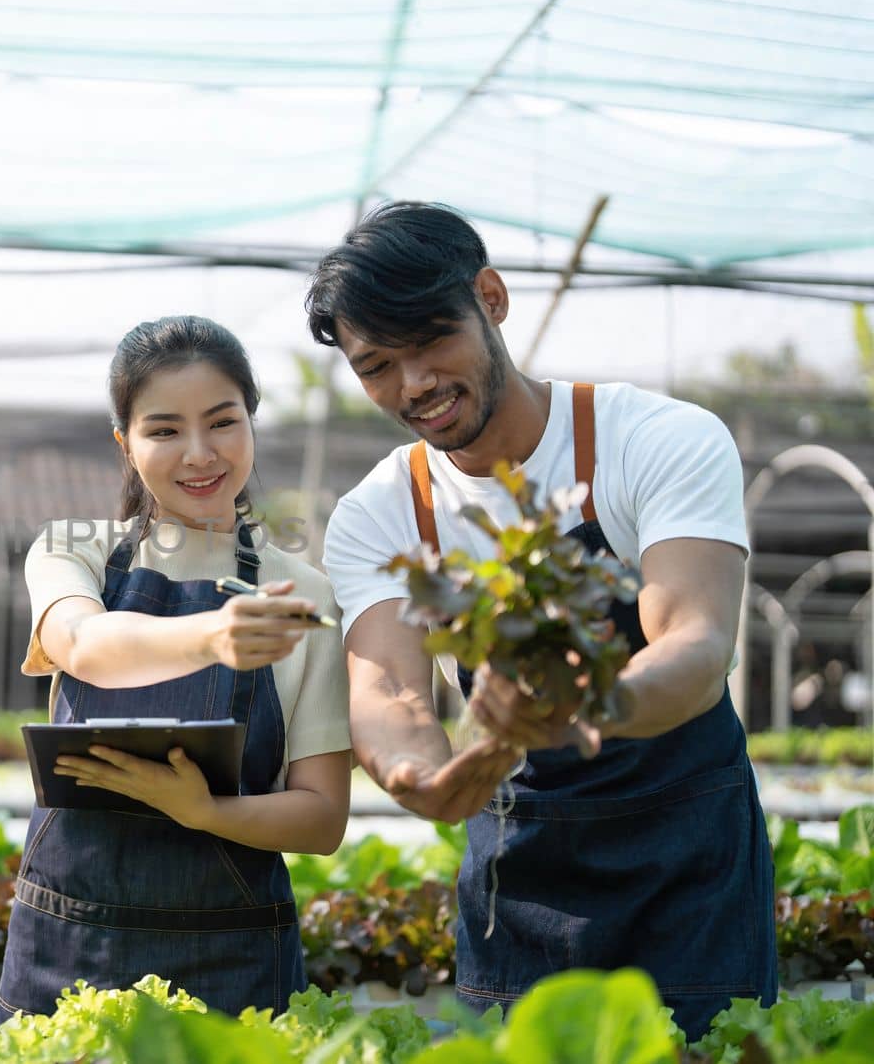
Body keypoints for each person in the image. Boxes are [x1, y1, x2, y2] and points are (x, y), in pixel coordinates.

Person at [306, 202, 777, 1036]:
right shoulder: (382, 510)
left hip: (688, 860)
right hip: (517, 875)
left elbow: (697, 646)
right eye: (377, 364)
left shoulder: (656, 440)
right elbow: (386, 684)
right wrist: (419, 774)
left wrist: (584, 706)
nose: (413, 385)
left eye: (429, 341)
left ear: (490, 298)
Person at [0, 315, 353, 1021]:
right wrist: (214, 636)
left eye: (222, 422)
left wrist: (204, 809)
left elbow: (322, 817)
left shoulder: (303, 593)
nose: (199, 453)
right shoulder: (76, 549)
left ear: (252, 423)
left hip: (232, 960)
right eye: (164, 430)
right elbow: (84, 643)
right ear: (126, 445)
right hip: (69, 946)